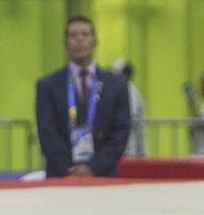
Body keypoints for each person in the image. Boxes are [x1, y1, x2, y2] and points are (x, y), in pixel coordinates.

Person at [35, 16, 130, 177]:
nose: (79, 40)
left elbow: (120, 132)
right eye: (73, 35)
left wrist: (92, 168)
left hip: (103, 176)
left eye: (85, 34)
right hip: (61, 176)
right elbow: (47, 133)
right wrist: (70, 170)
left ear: (95, 41)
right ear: (65, 43)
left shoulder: (116, 85)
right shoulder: (48, 85)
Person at [111, 59, 146, 157]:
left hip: (129, 148)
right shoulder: (119, 91)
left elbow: (129, 119)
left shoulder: (132, 93)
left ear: (125, 75)